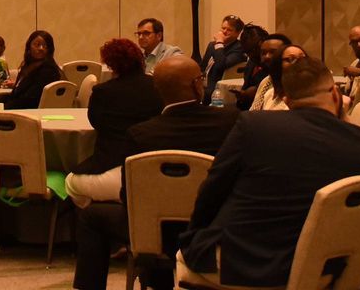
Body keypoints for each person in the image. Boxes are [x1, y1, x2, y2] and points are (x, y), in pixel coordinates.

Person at [179, 56, 360, 288]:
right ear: (335, 95)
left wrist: (195, 235)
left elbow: (212, 190)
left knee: (186, 252)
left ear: (287, 101)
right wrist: (344, 119)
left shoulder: (254, 126)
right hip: (326, 269)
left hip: (241, 264)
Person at [72, 57, 240, 290]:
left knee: (92, 216)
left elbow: (127, 195)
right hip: (213, 229)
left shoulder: (141, 135)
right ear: (196, 85)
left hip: (155, 234)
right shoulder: (231, 122)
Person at [66, 38, 163, 203]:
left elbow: (96, 122)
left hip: (114, 165)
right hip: (154, 166)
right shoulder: (158, 86)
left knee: (70, 181)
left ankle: (94, 216)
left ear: (111, 65)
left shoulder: (103, 92)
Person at [7, 28, 63, 109]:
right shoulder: (27, 66)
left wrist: (4, 108)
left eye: (45, 46)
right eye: (37, 45)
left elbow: (30, 99)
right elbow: (17, 94)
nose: (41, 48)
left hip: (31, 111)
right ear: (29, 47)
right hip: (20, 107)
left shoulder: (48, 70)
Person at [237, 33, 290, 112]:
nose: (267, 56)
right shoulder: (266, 81)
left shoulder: (292, 83)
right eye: (263, 53)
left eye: (273, 52)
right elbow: (254, 110)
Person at [251, 44, 307, 112]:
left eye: (302, 58)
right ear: (278, 64)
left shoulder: (310, 96)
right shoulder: (270, 94)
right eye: (291, 59)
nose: (299, 62)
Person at [201, 15, 247, 89]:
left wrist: (219, 43)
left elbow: (221, 65)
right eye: (223, 28)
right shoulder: (212, 45)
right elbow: (203, 67)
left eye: (229, 30)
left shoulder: (240, 48)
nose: (224, 32)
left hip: (217, 88)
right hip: (203, 84)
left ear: (238, 33)